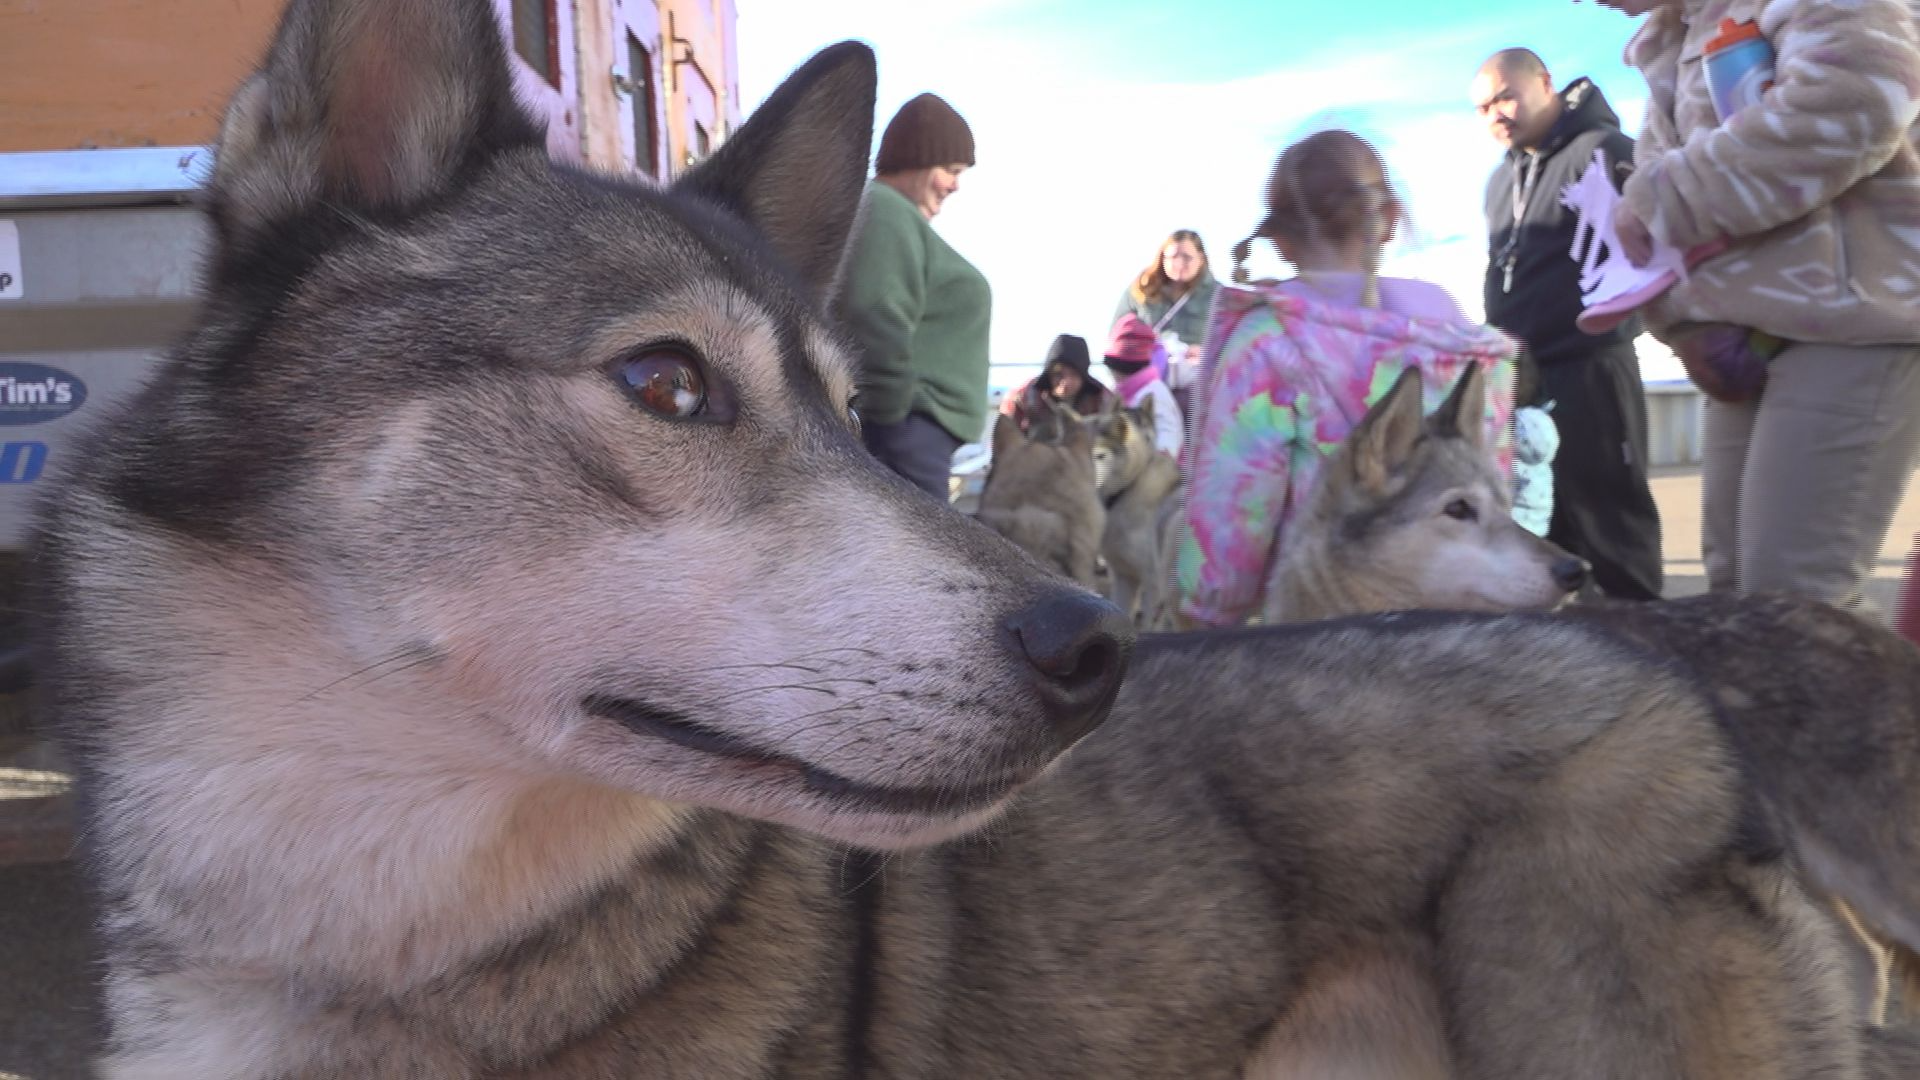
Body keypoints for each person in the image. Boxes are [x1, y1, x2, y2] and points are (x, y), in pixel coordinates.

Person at [1600, 0, 1920, 612]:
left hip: (1855, 322)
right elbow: (1661, 196)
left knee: (1794, 601)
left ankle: (1867, 707)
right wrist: (1681, 323)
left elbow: (1862, 99)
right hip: (1746, 340)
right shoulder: (1674, 34)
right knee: (1733, 591)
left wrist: (1661, 197)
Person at [1173, 130, 1520, 628]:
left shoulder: (1269, 339)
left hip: (1323, 633)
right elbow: (1495, 483)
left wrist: (1209, 611)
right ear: (1390, 219)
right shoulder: (1459, 333)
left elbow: (1235, 508)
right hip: (1458, 630)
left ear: (1280, 239)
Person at [1471, 48, 1664, 600]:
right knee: (1538, 530)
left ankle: (1644, 654)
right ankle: (1561, 666)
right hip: (1519, 383)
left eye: (1505, 96)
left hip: (1591, 368)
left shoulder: (1607, 152)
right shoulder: (1497, 183)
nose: (1496, 115)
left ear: (1545, 83)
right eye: (1483, 108)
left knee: (1612, 520)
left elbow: (1661, 253)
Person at [839, 93, 990, 499]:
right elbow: (873, 313)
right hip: (906, 434)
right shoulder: (884, 209)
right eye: (951, 170)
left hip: (912, 434)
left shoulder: (894, 215)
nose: (956, 185)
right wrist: (891, 420)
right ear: (919, 160)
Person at [1100, 315, 1183, 458]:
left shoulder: (1154, 393)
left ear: (1120, 366)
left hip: (1154, 476)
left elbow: (1168, 440)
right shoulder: (1126, 393)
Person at [999, 333, 1113, 433]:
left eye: (1073, 374)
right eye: (1058, 374)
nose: (1065, 382)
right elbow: (1005, 441)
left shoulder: (1103, 400)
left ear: (1083, 376)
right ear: (1048, 374)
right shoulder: (1022, 397)